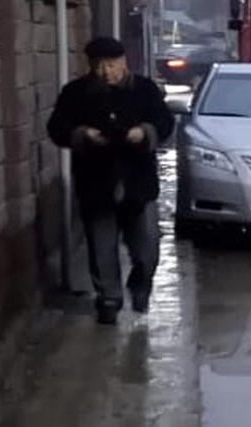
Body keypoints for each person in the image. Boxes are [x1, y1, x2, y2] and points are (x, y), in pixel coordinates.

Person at [47, 36, 174, 324]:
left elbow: (165, 122)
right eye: (99, 66)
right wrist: (82, 134)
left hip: (138, 182)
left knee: (147, 247)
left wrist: (144, 133)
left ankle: (140, 284)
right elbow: (57, 127)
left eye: (112, 65)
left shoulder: (144, 90)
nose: (106, 72)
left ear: (123, 62)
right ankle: (109, 298)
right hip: (96, 181)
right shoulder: (76, 93)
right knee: (101, 245)